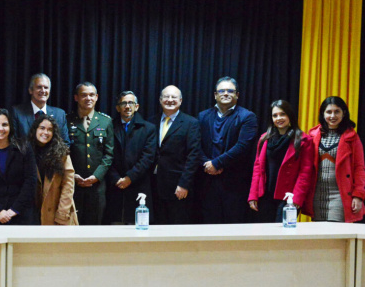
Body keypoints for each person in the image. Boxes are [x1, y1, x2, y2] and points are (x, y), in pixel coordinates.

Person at [196, 76, 258, 224]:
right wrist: (207, 164)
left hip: (235, 184)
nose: (225, 93)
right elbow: (195, 145)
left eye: (230, 91)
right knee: (209, 227)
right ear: (215, 95)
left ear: (237, 95)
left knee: (233, 228)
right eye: (221, 91)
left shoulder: (248, 117)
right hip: (207, 182)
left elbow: (243, 146)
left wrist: (217, 163)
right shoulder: (202, 116)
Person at [247, 100, 315, 223]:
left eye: (282, 114)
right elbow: (258, 169)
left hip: (289, 198)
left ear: (290, 116)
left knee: (283, 234)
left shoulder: (304, 140)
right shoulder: (264, 139)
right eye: (275, 115)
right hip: (265, 195)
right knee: (265, 234)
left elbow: (305, 173)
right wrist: (253, 194)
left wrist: (297, 199)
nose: (279, 118)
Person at [303, 97, 365, 223]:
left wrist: (358, 195)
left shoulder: (352, 137)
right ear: (323, 114)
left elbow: (359, 168)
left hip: (340, 195)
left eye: (337, 111)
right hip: (316, 195)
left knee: (335, 233)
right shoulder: (312, 136)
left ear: (344, 113)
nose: (333, 115)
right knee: (318, 235)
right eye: (329, 112)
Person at [104, 91, 156, 225]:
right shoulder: (109, 126)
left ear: (137, 106)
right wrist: (116, 178)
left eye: (131, 103)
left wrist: (129, 178)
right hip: (115, 186)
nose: (127, 106)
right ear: (117, 107)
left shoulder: (148, 128)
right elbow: (105, 155)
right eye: (123, 103)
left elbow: (148, 158)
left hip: (138, 185)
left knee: (137, 230)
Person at [65, 82, 113, 225]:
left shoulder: (105, 121)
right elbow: (62, 152)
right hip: (73, 184)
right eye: (84, 95)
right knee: (72, 226)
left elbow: (109, 154)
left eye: (91, 95)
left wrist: (96, 176)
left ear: (97, 97)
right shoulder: (66, 120)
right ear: (76, 98)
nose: (88, 98)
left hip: (97, 186)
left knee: (95, 226)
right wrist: (72, 175)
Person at [153, 85, 201, 225]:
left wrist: (184, 184)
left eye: (173, 97)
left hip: (178, 186)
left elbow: (193, 156)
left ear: (180, 100)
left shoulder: (191, 123)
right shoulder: (151, 121)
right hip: (154, 183)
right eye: (166, 97)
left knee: (177, 225)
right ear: (160, 100)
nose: (169, 100)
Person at [29, 114, 78, 225]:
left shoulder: (62, 153)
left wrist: (62, 214)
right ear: (35, 129)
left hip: (58, 211)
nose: (45, 132)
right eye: (42, 128)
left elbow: (68, 185)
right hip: (33, 213)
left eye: (50, 130)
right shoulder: (26, 151)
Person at [10, 73, 70, 144]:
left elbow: (65, 143)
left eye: (46, 87)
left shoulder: (59, 114)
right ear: (30, 90)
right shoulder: (17, 113)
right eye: (39, 87)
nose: (43, 90)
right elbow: (13, 142)